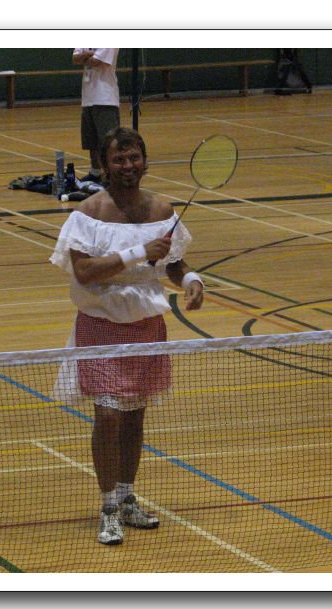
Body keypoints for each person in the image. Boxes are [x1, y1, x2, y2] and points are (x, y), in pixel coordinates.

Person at [50, 127, 205, 545]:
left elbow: (172, 262)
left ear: (144, 161)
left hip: (146, 325)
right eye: (118, 159)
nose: (127, 166)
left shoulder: (161, 209)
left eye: (134, 157)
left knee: (134, 415)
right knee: (108, 416)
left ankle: (126, 497)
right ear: (105, 165)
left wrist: (191, 280)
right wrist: (139, 252)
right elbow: (84, 271)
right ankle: (107, 508)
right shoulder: (88, 213)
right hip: (100, 324)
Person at [72, 48, 120, 183]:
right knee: (91, 141)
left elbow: (97, 61)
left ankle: (112, 175)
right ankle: (95, 173)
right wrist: (89, 55)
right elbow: (75, 58)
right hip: (88, 98)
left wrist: (85, 56)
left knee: (108, 141)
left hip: (105, 98)